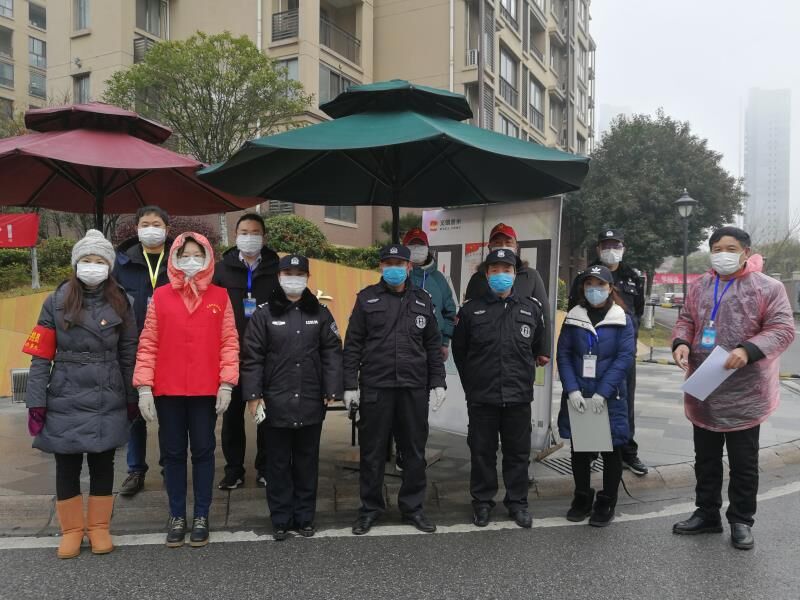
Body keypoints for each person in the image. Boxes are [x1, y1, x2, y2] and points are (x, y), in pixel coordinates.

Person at [671, 226, 795, 550]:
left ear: (745, 252)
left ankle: (741, 520)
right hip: (706, 389)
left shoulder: (767, 287)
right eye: (716, 249)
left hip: (745, 392)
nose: (722, 255)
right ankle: (707, 513)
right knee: (705, 459)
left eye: (730, 248)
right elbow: (686, 319)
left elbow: (782, 328)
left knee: (744, 463)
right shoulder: (701, 285)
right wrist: (681, 342)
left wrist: (748, 350)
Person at [23, 230, 138, 558]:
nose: (93, 266)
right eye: (87, 260)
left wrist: (132, 397)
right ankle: (72, 530)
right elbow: (40, 356)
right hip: (65, 391)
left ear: (109, 266)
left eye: (100, 260)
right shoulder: (55, 301)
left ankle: (99, 527)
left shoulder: (123, 302)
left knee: (103, 462)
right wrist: (36, 402)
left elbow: (129, 352)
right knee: (67, 463)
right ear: (76, 264)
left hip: (108, 391)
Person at [133, 232, 239, 548]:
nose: (191, 260)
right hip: (169, 390)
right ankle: (177, 515)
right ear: (175, 259)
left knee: (204, 452)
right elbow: (148, 343)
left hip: (206, 391)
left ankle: (202, 515)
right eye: (184, 255)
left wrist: (227, 383)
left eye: (197, 254)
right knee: (173, 454)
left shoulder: (220, 296)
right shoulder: (161, 296)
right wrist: (144, 387)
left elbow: (229, 342)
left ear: (207, 258)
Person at [343, 244, 446, 535]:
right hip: (376, 386)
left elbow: (432, 345)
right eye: (388, 263)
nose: (394, 269)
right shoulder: (366, 298)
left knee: (414, 451)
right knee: (372, 451)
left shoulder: (423, 300)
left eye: (399, 264)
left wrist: (438, 381)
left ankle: (413, 508)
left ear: (409, 267)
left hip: (413, 388)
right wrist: (349, 384)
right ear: (381, 267)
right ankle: (370, 509)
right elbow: (353, 345)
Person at [241, 254, 343, 540]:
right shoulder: (263, 314)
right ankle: (281, 519)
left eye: (299, 274)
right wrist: (253, 395)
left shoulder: (320, 313)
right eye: (288, 273)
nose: (294, 279)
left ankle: (305, 518)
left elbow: (332, 352)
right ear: (279, 277)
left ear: (308, 278)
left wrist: (332, 389)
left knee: (306, 463)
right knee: (277, 464)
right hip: (275, 403)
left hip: (310, 400)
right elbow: (252, 357)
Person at [452, 249, 545, 528]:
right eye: (495, 270)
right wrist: (472, 385)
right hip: (483, 396)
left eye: (506, 270)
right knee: (482, 453)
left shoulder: (531, 309)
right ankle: (482, 502)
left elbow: (537, 348)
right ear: (486, 274)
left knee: (518, 453)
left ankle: (517, 503)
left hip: (518, 396)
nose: (501, 275)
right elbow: (460, 352)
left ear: (515, 274)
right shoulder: (470, 310)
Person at [557, 265, 636, 527]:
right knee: (580, 449)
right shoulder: (573, 317)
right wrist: (572, 389)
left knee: (612, 450)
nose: (595, 289)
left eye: (600, 284)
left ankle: (607, 500)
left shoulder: (622, 319)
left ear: (610, 288)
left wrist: (603, 392)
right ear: (583, 287)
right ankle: (582, 497)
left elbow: (625, 358)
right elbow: (564, 355)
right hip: (579, 394)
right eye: (589, 284)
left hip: (610, 397)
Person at [568, 228, 648, 476]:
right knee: (590, 397)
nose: (610, 250)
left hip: (622, 353)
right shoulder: (583, 277)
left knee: (624, 402)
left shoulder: (634, 277)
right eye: (606, 245)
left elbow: (638, 312)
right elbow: (574, 313)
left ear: (623, 248)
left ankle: (627, 451)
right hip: (590, 353)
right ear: (598, 249)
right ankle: (591, 450)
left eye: (616, 245)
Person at [213, 213, 280, 490]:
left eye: (255, 232)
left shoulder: (277, 268)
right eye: (244, 232)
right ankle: (234, 470)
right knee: (232, 416)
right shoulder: (221, 270)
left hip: (269, 354)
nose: (249, 237)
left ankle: (266, 467)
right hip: (232, 354)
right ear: (236, 234)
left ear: (264, 237)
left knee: (267, 414)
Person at [115, 205, 172, 498]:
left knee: (169, 414)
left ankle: (169, 467)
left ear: (167, 229)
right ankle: (136, 469)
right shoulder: (121, 264)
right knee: (135, 413)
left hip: (170, 350)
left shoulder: (178, 260)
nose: (151, 229)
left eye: (156, 224)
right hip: (133, 349)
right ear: (136, 229)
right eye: (145, 224)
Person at [464, 222, 552, 366]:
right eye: (497, 243)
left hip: (520, 352)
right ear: (489, 247)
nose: (503, 246)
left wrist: (544, 349)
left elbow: (544, 314)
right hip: (485, 354)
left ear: (516, 247)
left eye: (508, 242)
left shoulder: (531, 276)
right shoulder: (478, 278)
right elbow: (466, 316)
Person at [403, 227, 458, 361]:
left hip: (432, 347)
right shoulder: (398, 276)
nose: (417, 248)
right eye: (412, 244)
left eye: (420, 244)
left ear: (427, 248)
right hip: (402, 346)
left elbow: (449, 312)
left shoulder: (438, 278)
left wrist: (445, 343)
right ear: (404, 248)